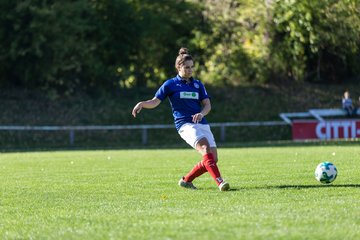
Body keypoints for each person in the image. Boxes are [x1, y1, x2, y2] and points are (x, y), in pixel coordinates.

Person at [131, 47, 230, 191]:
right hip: (185, 125)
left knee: (212, 159)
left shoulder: (197, 84)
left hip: (201, 123)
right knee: (205, 149)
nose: (190, 70)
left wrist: (202, 113)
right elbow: (155, 101)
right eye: (186, 67)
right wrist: (142, 104)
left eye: (192, 67)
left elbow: (207, 105)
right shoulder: (170, 84)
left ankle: (186, 180)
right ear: (179, 67)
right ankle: (220, 182)